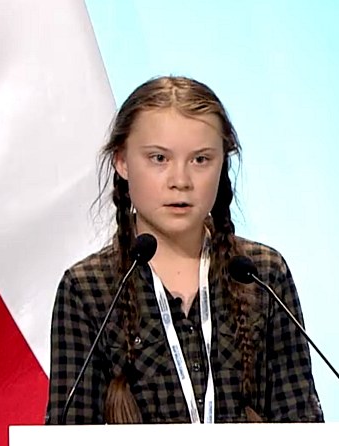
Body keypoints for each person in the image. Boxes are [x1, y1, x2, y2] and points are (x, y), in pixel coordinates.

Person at [46, 76, 323, 424]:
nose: (180, 180)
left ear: (223, 164)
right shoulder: (87, 289)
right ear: (122, 162)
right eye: (159, 158)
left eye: (201, 160)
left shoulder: (262, 274)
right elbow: (66, 445)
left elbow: (302, 424)